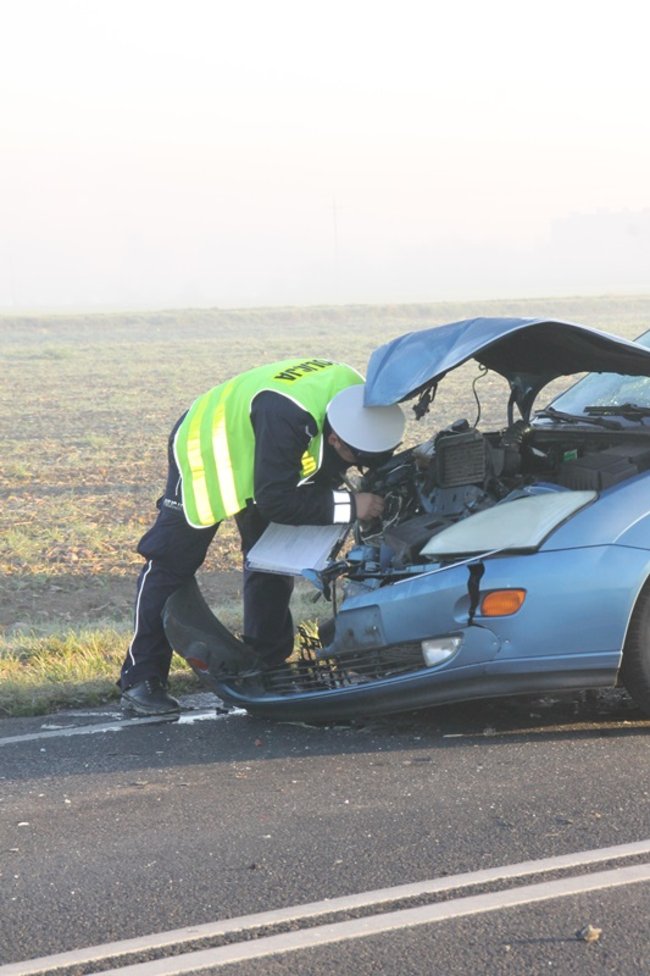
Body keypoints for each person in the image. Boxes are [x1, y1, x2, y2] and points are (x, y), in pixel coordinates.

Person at [119, 357, 405, 716]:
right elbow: (278, 501)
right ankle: (140, 679)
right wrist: (351, 505)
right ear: (335, 439)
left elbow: (297, 481)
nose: (355, 469)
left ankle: (266, 664)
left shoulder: (354, 394)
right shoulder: (287, 418)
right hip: (209, 450)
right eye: (354, 461)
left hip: (267, 451)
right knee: (171, 560)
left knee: (271, 557)